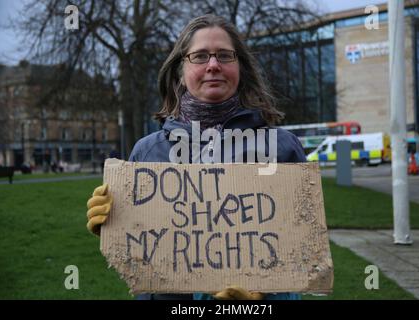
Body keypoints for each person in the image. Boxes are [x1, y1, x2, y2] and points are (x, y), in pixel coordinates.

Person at [86, 14, 306, 300]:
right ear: (180, 70)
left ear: (241, 67)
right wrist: (115, 227)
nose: (213, 65)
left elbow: (300, 255)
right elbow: (140, 258)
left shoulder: (282, 148)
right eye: (200, 56)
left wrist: (264, 299)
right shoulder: (147, 152)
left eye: (225, 56)